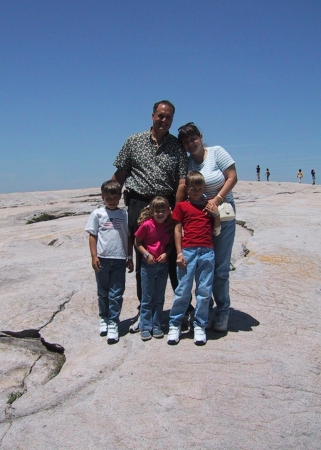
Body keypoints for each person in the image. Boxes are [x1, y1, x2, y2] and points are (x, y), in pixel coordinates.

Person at [112, 100, 188, 332]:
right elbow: (120, 173)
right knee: (143, 256)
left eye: (169, 117)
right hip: (139, 203)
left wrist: (178, 208)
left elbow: (182, 180)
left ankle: (180, 309)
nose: (164, 121)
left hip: (166, 204)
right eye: (161, 116)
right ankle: (144, 313)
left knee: (171, 254)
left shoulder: (176, 146)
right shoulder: (133, 141)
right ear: (152, 116)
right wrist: (110, 206)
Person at [177, 122, 237, 332]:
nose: (190, 143)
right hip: (199, 221)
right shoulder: (187, 163)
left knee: (220, 268)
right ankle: (205, 310)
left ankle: (223, 312)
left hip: (222, 215)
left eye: (192, 139)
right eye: (185, 141)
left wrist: (217, 200)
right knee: (202, 268)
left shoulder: (216, 152)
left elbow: (232, 176)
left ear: (200, 137)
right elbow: (183, 189)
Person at [168, 171, 221, 346]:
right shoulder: (182, 206)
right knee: (183, 289)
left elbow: (217, 230)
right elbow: (177, 230)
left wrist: (216, 214)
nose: (197, 191)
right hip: (188, 251)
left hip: (207, 251)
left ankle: (199, 325)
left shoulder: (209, 206)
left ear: (203, 188)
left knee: (204, 291)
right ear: (187, 188)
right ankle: (174, 324)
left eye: (200, 188)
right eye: (193, 188)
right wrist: (179, 253)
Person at [85, 180, 133, 344]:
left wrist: (130, 257)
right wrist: (94, 256)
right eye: (108, 198)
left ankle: (114, 322)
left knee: (116, 293)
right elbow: (92, 236)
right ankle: (104, 318)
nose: (112, 201)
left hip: (119, 259)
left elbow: (128, 237)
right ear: (103, 197)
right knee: (103, 292)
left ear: (120, 197)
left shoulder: (124, 215)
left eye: (115, 198)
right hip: (103, 259)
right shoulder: (97, 214)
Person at [134, 196, 173, 341]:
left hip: (163, 265)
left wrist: (166, 254)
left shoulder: (168, 226)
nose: (160, 213)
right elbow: (137, 242)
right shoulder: (146, 225)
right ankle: (145, 326)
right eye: (157, 211)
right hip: (148, 266)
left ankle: (156, 325)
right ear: (151, 212)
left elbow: (170, 245)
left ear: (168, 211)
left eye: (163, 210)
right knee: (147, 298)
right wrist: (146, 254)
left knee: (159, 297)